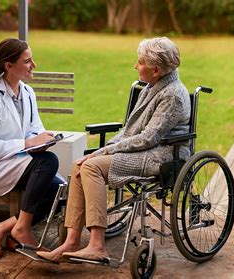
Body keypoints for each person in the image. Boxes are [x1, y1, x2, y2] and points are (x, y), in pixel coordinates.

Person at [37, 37, 191, 263]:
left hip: (161, 155)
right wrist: (106, 148)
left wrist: (103, 153)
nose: (135, 66)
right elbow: (130, 129)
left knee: (90, 167)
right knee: (80, 165)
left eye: (140, 62)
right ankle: (71, 241)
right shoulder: (153, 86)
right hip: (143, 150)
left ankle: (97, 246)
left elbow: (148, 138)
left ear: (156, 70)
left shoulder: (173, 96)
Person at [0, 38, 63, 260]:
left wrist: (42, 140)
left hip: (17, 161)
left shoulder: (27, 93)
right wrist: (27, 144)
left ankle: (1, 228)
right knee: (48, 162)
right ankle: (22, 230)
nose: (33, 65)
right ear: (9, 66)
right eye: (27, 61)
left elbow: (34, 129)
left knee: (60, 190)